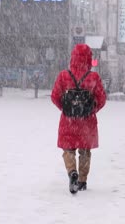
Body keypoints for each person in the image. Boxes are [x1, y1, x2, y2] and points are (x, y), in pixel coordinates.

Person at [51, 44, 107, 194]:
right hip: (86, 122)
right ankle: (82, 180)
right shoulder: (93, 77)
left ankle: (71, 172)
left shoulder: (64, 76)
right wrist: (91, 109)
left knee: (68, 149)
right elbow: (101, 98)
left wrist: (66, 109)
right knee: (85, 152)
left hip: (68, 121)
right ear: (89, 59)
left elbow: (55, 96)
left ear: (73, 58)